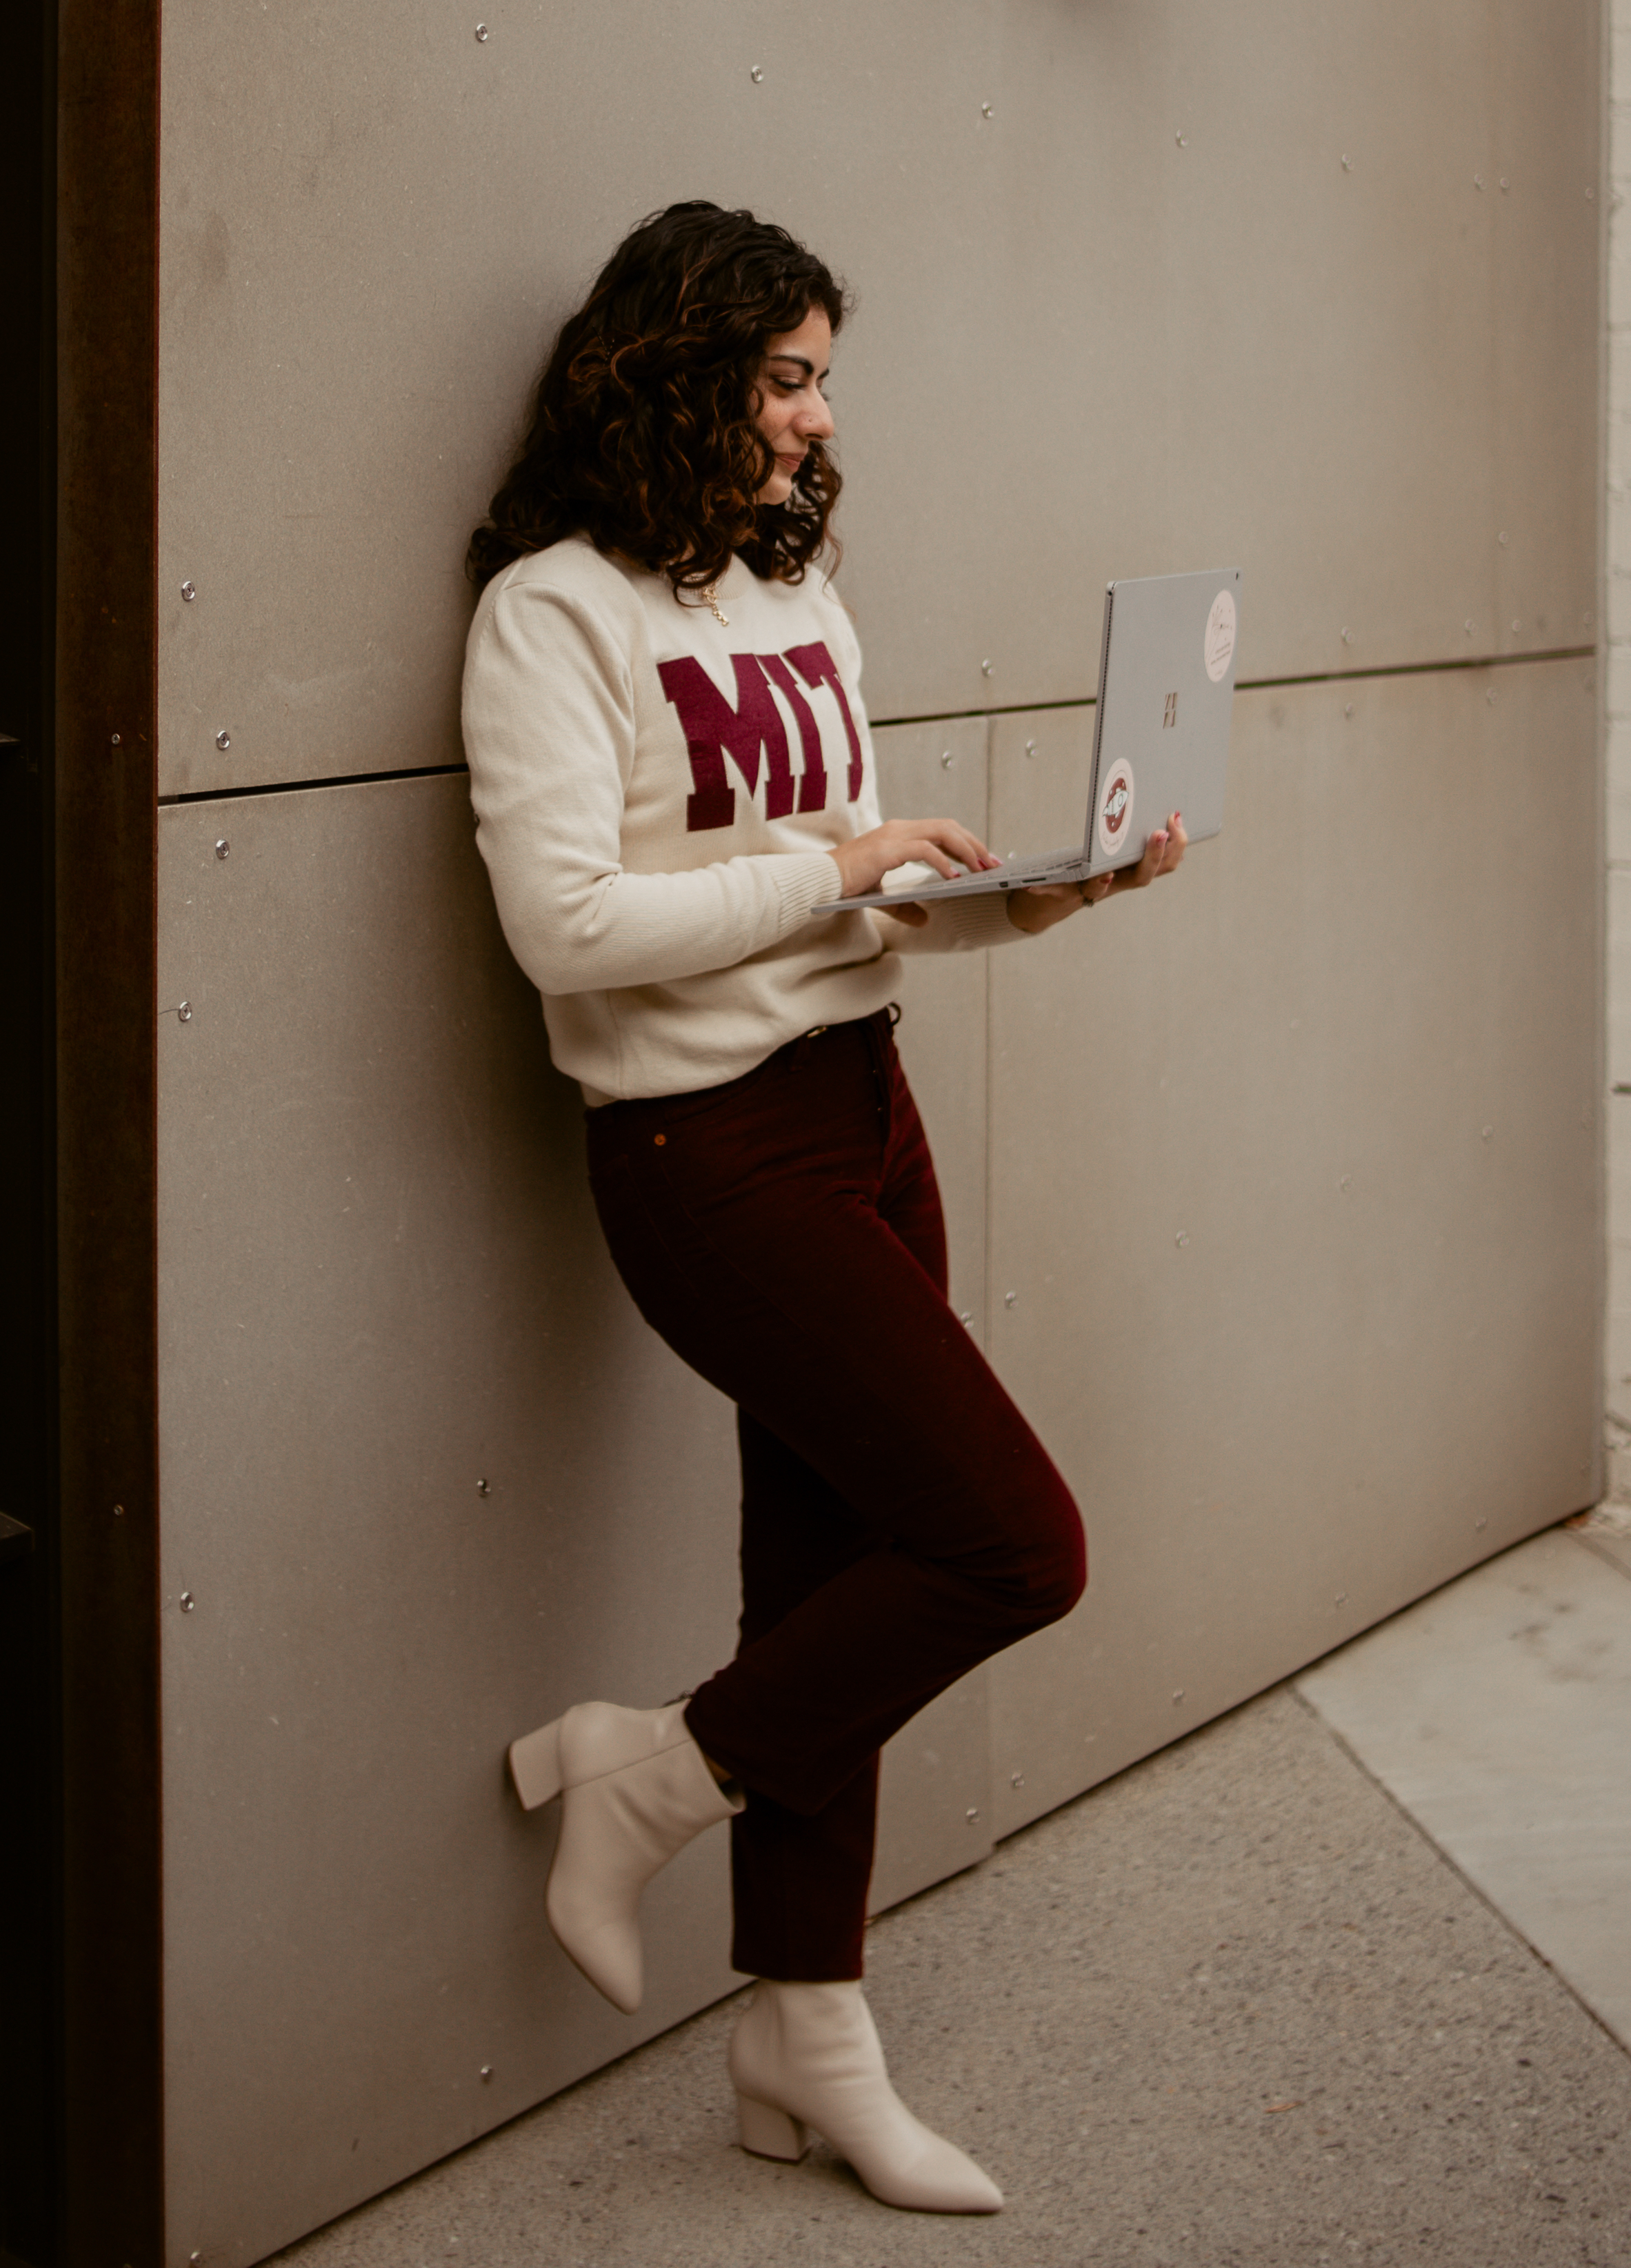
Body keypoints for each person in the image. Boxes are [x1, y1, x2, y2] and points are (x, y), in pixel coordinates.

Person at [463, 201, 1185, 2214]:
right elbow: (567, 926)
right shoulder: (552, 615)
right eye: (784, 377)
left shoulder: (795, 600)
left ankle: (802, 2039)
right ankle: (650, 1771)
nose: (813, 420)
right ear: (674, 373)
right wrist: (840, 864)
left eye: (820, 378)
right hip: (704, 1149)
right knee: (1008, 1546)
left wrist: (1008, 901)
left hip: (860, 1108)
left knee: (830, 1585)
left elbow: (838, 898)